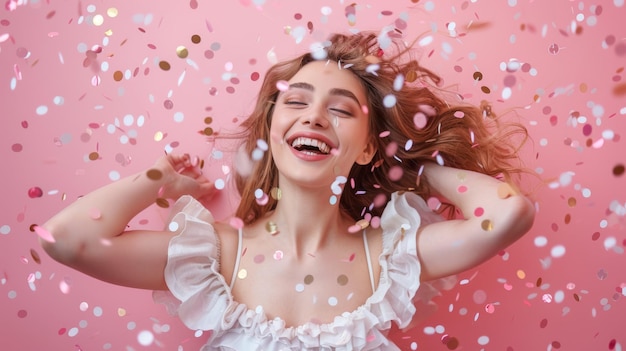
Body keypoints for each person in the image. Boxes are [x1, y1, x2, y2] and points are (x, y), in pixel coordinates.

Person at [39, 31, 535, 350]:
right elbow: (66, 238)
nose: (315, 116)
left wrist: (411, 168)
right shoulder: (215, 257)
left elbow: (508, 215)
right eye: (296, 101)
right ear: (272, 133)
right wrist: (157, 181)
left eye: (341, 110)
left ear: (365, 149)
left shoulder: (388, 260)